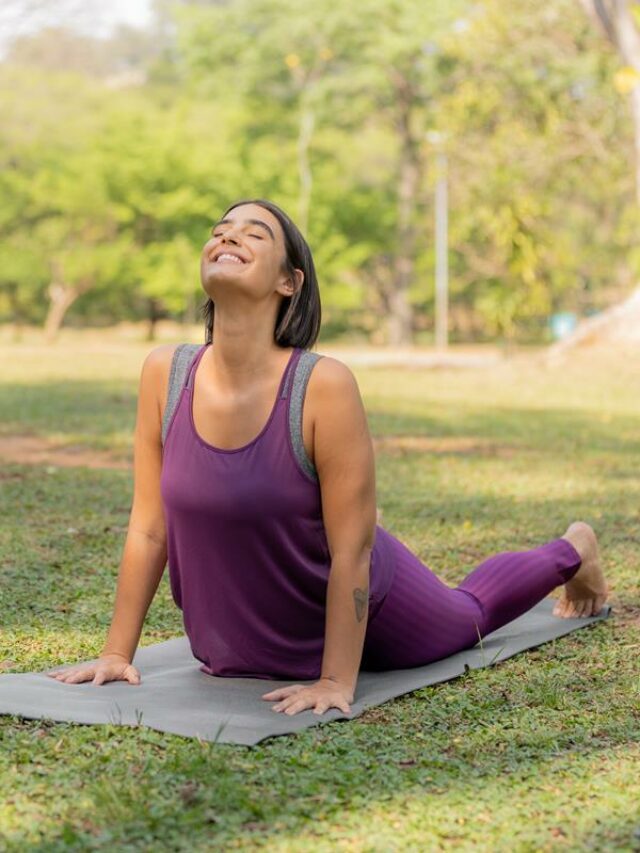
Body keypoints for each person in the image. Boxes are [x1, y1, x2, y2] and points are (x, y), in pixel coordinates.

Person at [47, 198, 609, 718]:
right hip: (245, 639)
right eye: (220, 231)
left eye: (254, 234)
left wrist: (337, 680)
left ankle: (572, 551)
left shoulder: (323, 386)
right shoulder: (164, 375)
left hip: (366, 601)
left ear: (289, 282)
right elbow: (149, 529)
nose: (228, 237)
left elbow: (352, 548)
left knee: (469, 614)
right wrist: (116, 653)